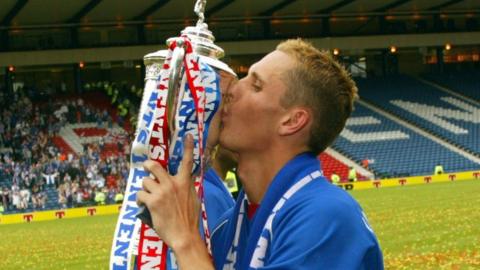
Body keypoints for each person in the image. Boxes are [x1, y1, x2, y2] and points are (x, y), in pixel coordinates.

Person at [137, 39, 383, 269]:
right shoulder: (227, 227)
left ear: (292, 121)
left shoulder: (328, 218)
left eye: (255, 85)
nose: (232, 89)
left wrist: (186, 241)